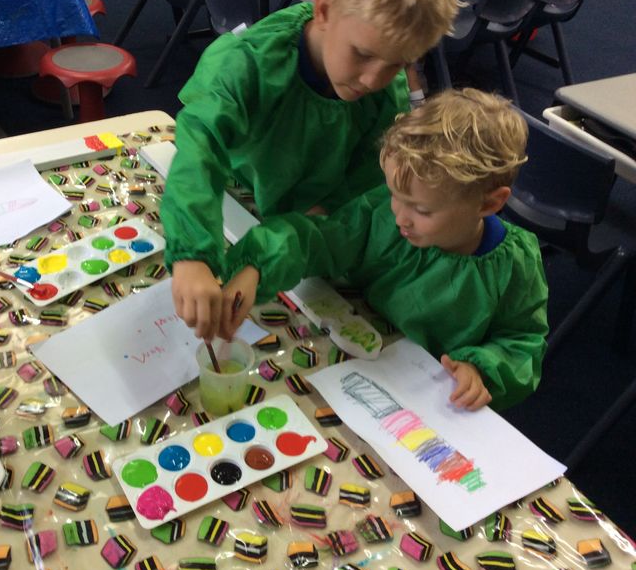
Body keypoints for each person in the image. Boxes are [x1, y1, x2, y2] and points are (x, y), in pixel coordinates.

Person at [161, 0, 459, 340]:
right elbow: (199, 150)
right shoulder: (249, 63)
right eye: (363, 54)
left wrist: (274, 252)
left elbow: (353, 198)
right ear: (324, 9)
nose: (372, 80)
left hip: (301, 226)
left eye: (397, 65)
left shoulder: (384, 99)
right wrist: (192, 255)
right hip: (232, 196)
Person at [221, 89, 549, 412]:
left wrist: (481, 368)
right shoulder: (383, 212)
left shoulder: (514, 264)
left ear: (489, 203)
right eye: (395, 195)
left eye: (422, 210)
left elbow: (523, 343)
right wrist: (257, 264)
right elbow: (319, 240)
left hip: (427, 399)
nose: (400, 217)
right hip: (357, 359)